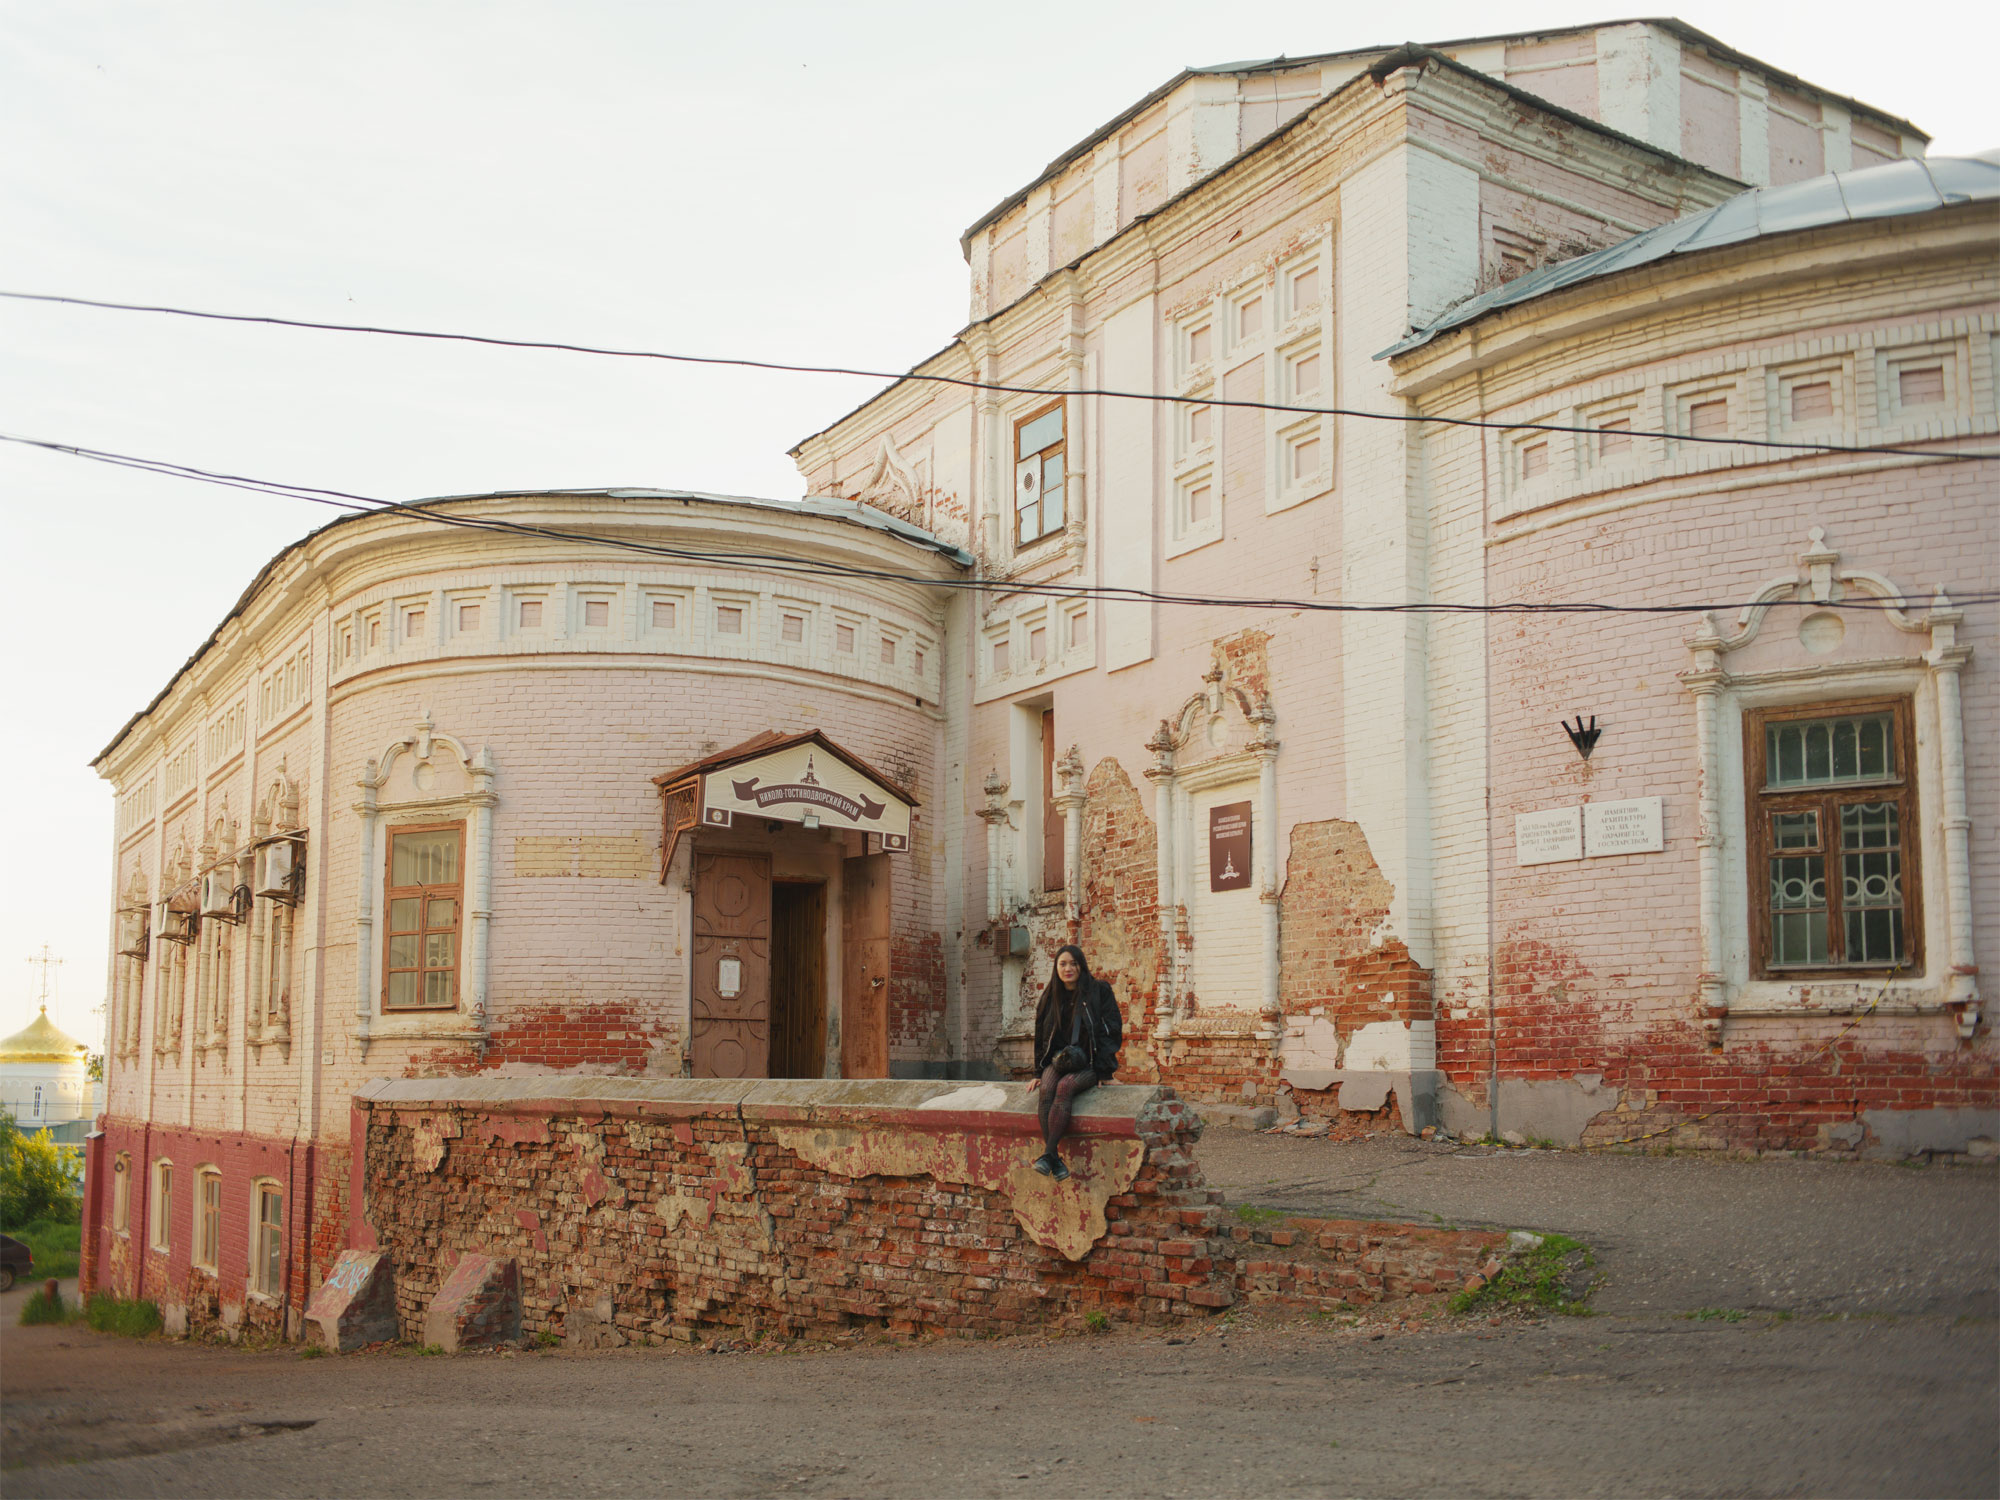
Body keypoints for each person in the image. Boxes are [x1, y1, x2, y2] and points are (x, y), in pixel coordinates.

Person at [1025, 944, 1122, 1180]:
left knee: (1065, 1086)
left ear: (1081, 966)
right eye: (1063, 964)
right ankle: (1053, 1158)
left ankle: (1048, 1155)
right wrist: (1038, 1072)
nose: (1068, 969)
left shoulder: (1099, 991)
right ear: (1056, 968)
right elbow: (1041, 1036)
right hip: (1060, 1061)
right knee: (1047, 1088)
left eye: (1073, 963)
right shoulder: (1050, 996)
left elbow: (1110, 1030)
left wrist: (1105, 1071)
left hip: (1089, 1063)